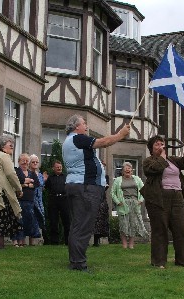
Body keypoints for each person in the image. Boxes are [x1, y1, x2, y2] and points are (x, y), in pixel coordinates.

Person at [62, 114, 130, 271]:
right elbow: (104, 142)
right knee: (83, 226)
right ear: (75, 126)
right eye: (84, 123)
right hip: (85, 187)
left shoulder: (71, 141)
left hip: (78, 186)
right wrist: (121, 134)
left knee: (78, 224)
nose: (86, 126)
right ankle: (78, 264)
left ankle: (76, 261)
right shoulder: (78, 138)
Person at [141, 135, 184, 269]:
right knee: (160, 229)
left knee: (181, 229)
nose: (161, 146)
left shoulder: (172, 160)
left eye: (162, 144)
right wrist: (162, 157)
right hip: (158, 198)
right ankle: (158, 262)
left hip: (177, 197)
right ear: (151, 148)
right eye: (157, 144)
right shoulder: (149, 161)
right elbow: (154, 169)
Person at [111, 161, 148, 249]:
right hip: (123, 203)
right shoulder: (118, 180)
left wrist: (140, 200)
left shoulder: (137, 179)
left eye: (129, 168)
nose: (128, 170)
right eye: (126, 168)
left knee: (133, 224)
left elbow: (144, 190)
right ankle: (124, 244)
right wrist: (117, 202)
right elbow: (113, 193)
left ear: (132, 170)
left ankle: (131, 245)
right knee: (123, 224)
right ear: (123, 171)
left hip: (135, 203)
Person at [12, 153, 40, 247]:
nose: (25, 162)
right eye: (23, 160)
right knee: (18, 220)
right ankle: (16, 241)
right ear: (19, 161)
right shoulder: (16, 171)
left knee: (27, 221)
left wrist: (26, 183)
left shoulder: (31, 173)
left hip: (29, 200)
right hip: (19, 200)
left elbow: (36, 183)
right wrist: (26, 183)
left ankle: (23, 241)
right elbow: (16, 181)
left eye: (27, 160)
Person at [44, 160, 69, 245]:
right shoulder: (50, 178)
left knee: (67, 221)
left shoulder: (66, 177)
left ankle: (68, 241)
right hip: (53, 200)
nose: (59, 168)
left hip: (64, 200)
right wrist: (44, 180)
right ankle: (54, 242)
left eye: (60, 167)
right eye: (57, 167)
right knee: (53, 221)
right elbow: (45, 187)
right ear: (53, 168)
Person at [29, 154, 47, 245]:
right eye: (33, 162)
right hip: (31, 198)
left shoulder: (39, 174)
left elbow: (42, 187)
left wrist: (44, 180)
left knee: (38, 218)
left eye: (36, 162)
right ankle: (29, 241)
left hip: (39, 198)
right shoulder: (28, 173)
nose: (35, 163)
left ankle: (35, 241)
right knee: (31, 218)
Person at [93, 160, 110, 247]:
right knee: (94, 220)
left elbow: (106, 187)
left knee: (101, 220)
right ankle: (94, 241)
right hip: (94, 199)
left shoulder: (106, 177)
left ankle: (98, 239)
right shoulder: (93, 176)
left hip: (102, 199)